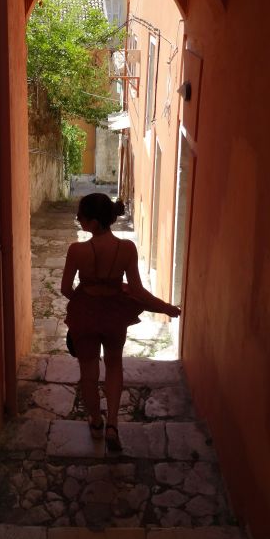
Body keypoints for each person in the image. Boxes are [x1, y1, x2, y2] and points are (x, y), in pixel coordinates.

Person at [61, 193, 181, 452]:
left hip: (86, 317)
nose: (78, 219)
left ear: (93, 222)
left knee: (89, 372)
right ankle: (113, 423)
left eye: (81, 215)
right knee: (114, 364)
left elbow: (65, 289)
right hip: (115, 315)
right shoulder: (127, 249)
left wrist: (84, 300)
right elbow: (137, 291)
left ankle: (95, 423)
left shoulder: (76, 250)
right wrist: (166, 308)